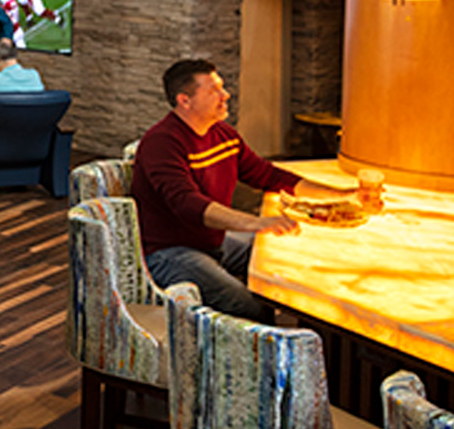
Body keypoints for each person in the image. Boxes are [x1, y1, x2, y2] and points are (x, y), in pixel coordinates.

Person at [129, 59, 334, 320]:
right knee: (250, 306)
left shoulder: (222, 134)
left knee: (288, 258)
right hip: (168, 252)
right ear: (185, 101)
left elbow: (266, 174)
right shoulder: (162, 142)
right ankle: (265, 342)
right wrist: (255, 222)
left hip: (211, 242)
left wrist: (337, 194)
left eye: (222, 87)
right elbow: (187, 204)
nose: (225, 95)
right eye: (214, 90)